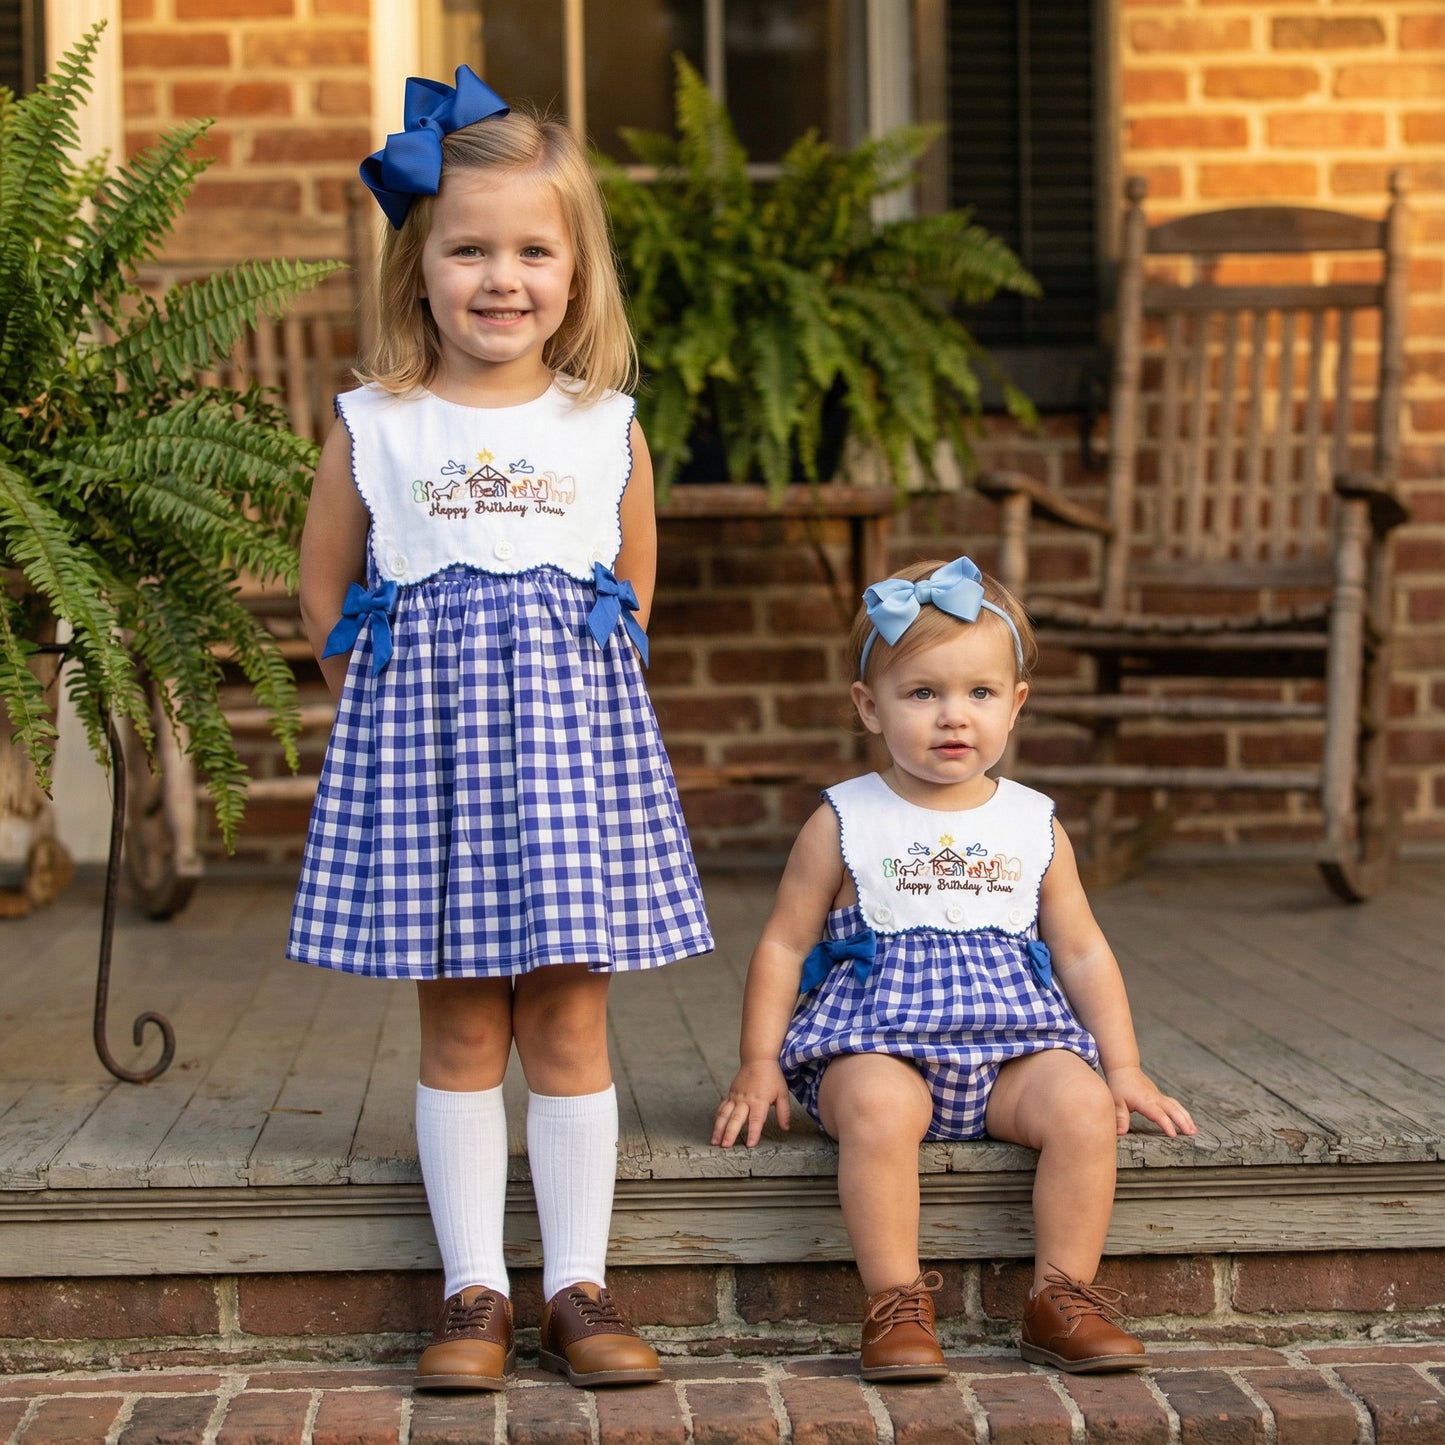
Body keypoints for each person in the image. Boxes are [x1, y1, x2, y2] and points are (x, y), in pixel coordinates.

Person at [288, 66, 714, 1394]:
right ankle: (474, 1284)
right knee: (464, 1030)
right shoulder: (378, 421)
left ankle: (576, 1287)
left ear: (577, 272)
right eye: (469, 249)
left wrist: (563, 703)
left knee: (571, 1028)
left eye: (534, 250)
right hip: (429, 768)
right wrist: (386, 708)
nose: (501, 278)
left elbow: (631, 589)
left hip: (571, 772)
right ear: (420, 265)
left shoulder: (605, 427)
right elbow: (323, 586)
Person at [712, 556, 1195, 1380]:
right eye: (922, 692)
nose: (952, 717)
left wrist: (1121, 1066)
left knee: (1080, 1106)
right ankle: (896, 1302)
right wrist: (758, 1061)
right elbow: (784, 945)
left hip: (1009, 1054)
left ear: (1015, 705)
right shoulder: (843, 817)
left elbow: (1080, 949)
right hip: (879, 1046)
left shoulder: (1032, 821)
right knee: (872, 1103)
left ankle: (1060, 1297)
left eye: (978, 693)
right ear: (870, 706)